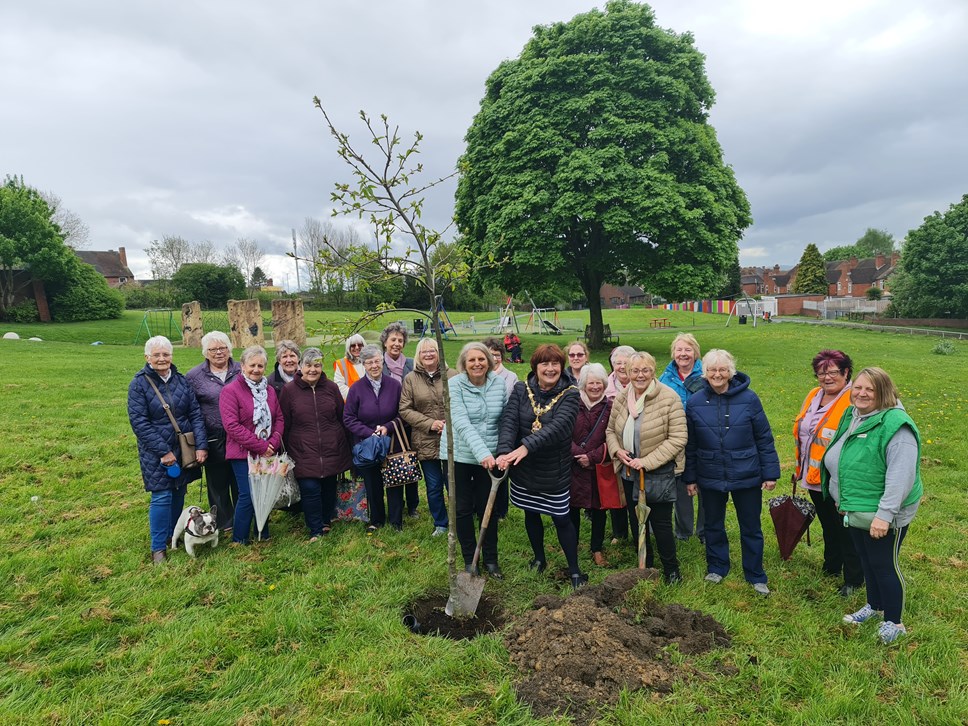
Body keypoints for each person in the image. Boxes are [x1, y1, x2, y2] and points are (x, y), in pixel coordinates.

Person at [822, 367, 923, 644]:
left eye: (871, 389)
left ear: (884, 392)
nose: (862, 394)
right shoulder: (852, 415)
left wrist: (884, 515)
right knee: (866, 561)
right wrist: (841, 498)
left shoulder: (896, 426)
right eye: (858, 388)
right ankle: (875, 606)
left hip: (884, 511)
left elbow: (901, 476)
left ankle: (894, 621)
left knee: (884, 564)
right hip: (856, 504)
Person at [684, 349, 779, 595]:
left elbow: (764, 438)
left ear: (730, 372)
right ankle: (717, 566)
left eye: (722, 369)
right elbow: (691, 445)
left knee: (751, 526)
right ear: (704, 373)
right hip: (710, 472)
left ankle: (755, 573)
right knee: (713, 524)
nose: (717, 374)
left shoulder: (749, 399)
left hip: (746, 472)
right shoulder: (694, 402)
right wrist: (691, 478)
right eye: (712, 370)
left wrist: (770, 473)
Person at [497, 344, 586, 589]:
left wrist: (524, 447)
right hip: (523, 468)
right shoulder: (520, 389)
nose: (550, 368)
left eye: (555, 363)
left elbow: (558, 429)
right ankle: (539, 558)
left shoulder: (570, 393)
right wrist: (505, 452)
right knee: (530, 512)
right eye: (544, 363)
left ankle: (574, 569)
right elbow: (509, 421)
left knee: (561, 518)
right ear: (535, 367)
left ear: (561, 366)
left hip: (553, 470)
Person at [606, 352, 686, 582]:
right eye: (635, 371)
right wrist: (617, 451)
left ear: (653, 371)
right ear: (627, 373)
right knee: (636, 521)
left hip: (658, 472)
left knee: (660, 524)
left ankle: (672, 571)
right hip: (630, 470)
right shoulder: (623, 397)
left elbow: (678, 438)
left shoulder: (669, 398)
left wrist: (647, 462)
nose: (640, 375)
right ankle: (646, 566)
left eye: (645, 370)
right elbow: (611, 430)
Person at [128, 336, 208, 564]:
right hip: (156, 450)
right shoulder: (139, 384)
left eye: (166, 354)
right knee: (162, 495)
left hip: (183, 446)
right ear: (147, 358)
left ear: (171, 356)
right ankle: (158, 548)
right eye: (157, 355)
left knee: (180, 492)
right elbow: (139, 422)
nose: (162, 359)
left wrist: (201, 445)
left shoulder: (181, 381)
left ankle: (173, 535)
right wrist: (163, 451)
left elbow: (195, 413)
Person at [793, 350, 863, 596]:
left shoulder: (855, 398)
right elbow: (806, 434)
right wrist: (799, 468)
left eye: (833, 372)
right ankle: (831, 566)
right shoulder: (814, 395)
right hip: (813, 478)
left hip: (840, 480)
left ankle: (853, 579)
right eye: (821, 373)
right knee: (829, 526)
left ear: (846, 373)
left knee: (846, 529)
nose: (826, 377)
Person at [446, 342, 507, 576]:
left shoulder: (498, 384)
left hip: (490, 458)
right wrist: (482, 453)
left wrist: (501, 451)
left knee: (487, 508)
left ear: (489, 362)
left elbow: (504, 419)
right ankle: (470, 559)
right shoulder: (454, 385)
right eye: (471, 360)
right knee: (462, 508)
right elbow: (460, 422)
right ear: (463, 364)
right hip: (460, 454)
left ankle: (491, 559)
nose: (477, 364)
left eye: (481, 359)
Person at [279, 348, 352, 541]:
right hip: (302, 449)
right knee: (310, 488)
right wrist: (285, 451)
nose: (313, 369)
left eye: (317, 365)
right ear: (301, 367)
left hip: (331, 446)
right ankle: (315, 529)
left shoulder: (331, 388)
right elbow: (284, 422)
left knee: (328, 485)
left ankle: (326, 520)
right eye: (308, 365)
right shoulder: (289, 391)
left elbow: (341, 417)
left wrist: (344, 444)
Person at [220, 345, 284, 544]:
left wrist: (272, 443)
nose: (256, 369)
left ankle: (262, 532)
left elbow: (279, 418)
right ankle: (240, 538)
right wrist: (260, 446)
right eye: (252, 365)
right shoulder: (230, 391)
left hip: (268, 451)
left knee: (264, 493)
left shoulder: (270, 390)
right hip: (242, 453)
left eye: (260, 366)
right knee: (248, 495)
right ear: (243, 366)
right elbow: (232, 425)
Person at [344, 344, 404, 531]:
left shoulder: (394, 385)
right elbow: (348, 418)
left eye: (377, 361)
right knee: (372, 482)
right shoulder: (356, 389)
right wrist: (368, 432)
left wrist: (387, 428)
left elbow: (403, 413)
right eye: (369, 363)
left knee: (394, 481)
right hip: (368, 444)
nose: (374, 366)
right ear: (363, 365)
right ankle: (376, 520)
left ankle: (396, 521)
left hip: (392, 441)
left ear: (382, 362)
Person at [399, 337, 456, 537]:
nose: (429, 354)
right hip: (425, 439)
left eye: (432, 350)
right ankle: (441, 523)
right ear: (418, 356)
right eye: (424, 351)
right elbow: (405, 409)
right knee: (433, 485)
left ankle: (459, 519)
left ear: (439, 352)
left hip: (451, 438)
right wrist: (430, 423)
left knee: (453, 483)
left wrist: (450, 422)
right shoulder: (411, 379)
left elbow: (461, 403)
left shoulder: (453, 375)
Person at [185, 331, 241, 532]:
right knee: (217, 484)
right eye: (213, 349)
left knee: (240, 481)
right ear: (205, 352)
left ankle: (243, 518)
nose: (219, 352)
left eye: (223, 348)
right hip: (212, 436)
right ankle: (224, 523)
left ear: (229, 349)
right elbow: (191, 411)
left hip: (240, 437)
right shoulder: (194, 376)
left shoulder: (241, 369)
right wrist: (200, 443)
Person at [658, 333, 706, 544]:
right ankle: (684, 531)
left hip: (704, 438)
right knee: (680, 484)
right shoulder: (665, 378)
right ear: (673, 353)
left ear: (695, 352)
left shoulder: (707, 374)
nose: (683, 354)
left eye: (688, 350)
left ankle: (705, 531)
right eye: (679, 350)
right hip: (676, 440)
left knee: (706, 485)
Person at [570, 363, 614, 567]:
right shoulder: (571, 404)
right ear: (583, 384)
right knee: (571, 508)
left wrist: (593, 457)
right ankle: (570, 544)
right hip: (573, 465)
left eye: (599, 383)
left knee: (598, 510)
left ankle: (597, 548)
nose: (595, 387)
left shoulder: (611, 408)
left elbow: (615, 437)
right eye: (591, 383)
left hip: (598, 468)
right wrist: (579, 454)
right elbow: (562, 432)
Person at [380, 322, 417, 516]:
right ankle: (395, 504)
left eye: (400, 340)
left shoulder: (412, 364)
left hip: (410, 420)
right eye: (393, 339)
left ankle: (412, 505)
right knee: (392, 462)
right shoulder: (378, 363)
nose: (396, 343)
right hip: (389, 421)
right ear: (385, 342)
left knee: (410, 460)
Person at [605, 344, 635, 543]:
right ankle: (619, 532)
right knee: (615, 491)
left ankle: (640, 530)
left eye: (626, 362)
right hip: (612, 445)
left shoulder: (641, 384)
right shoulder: (603, 385)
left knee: (635, 490)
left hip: (636, 447)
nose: (622, 366)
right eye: (618, 363)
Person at [483, 336, 518, 401]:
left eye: (497, 355)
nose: (494, 359)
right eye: (490, 355)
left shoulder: (512, 377)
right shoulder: (476, 376)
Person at [334, 333, 365, 400]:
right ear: (348, 348)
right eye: (353, 345)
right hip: (351, 402)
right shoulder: (341, 364)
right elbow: (340, 386)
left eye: (359, 345)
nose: (357, 348)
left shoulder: (370, 361)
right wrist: (358, 397)